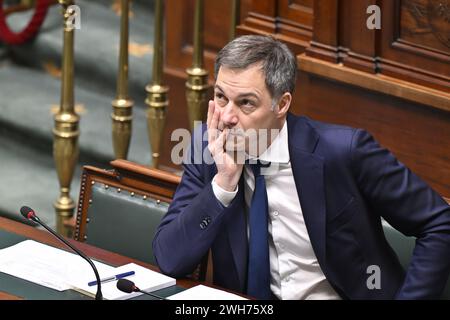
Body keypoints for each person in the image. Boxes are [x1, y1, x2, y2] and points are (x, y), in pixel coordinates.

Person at [152, 35, 450, 300]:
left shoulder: (344, 151)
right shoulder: (207, 148)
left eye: (245, 103)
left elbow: (439, 223)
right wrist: (223, 185)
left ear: (281, 104)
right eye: (221, 97)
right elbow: (169, 259)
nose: (227, 116)